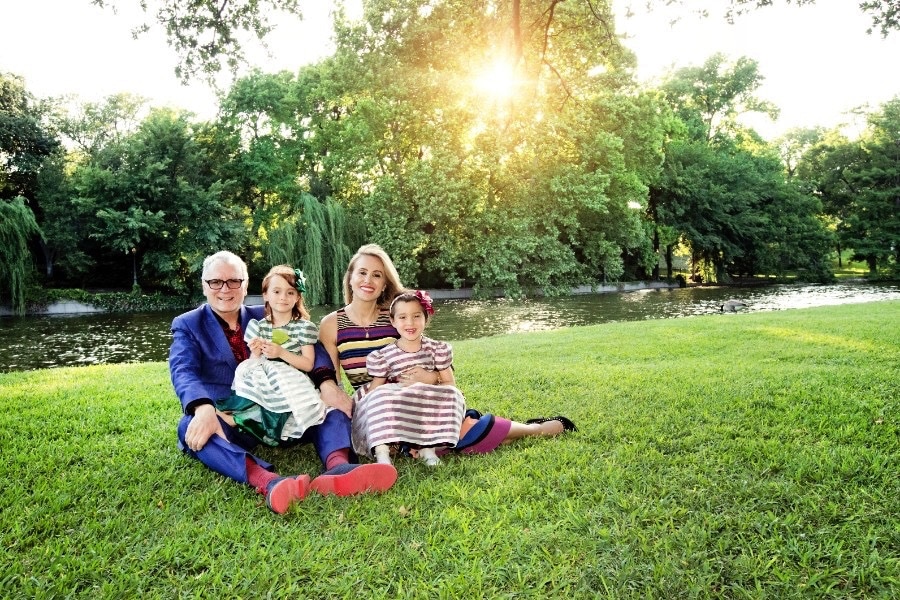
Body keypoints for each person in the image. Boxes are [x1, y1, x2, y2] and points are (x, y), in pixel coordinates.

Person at [169, 251, 397, 515]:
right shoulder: (188, 324)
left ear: (246, 285)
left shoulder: (271, 312)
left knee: (332, 410)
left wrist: (326, 383)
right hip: (233, 416)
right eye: (215, 282)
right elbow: (182, 369)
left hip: (286, 409)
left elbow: (315, 349)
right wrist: (203, 407)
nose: (225, 289)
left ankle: (338, 468)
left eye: (234, 281)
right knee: (191, 428)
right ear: (203, 285)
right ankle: (269, 482)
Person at [319, 244, 576, 462]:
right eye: (362, 273)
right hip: (376, 407)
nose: (368, 281)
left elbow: (437, 362)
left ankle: (534, 429)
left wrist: (429, 378)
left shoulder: (396, 317)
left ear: (385, 282)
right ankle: (420, 441)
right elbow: (334, 384)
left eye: (377, 275)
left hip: (417, 398)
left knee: (462, 429)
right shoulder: (332, 324)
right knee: (457, 437)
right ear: (350, 277)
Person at [218, 265, 327, 446]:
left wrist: (281, 352)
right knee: (247, 371)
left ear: (298, 297)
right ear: (266, 295)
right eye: (276, 291)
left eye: (290, 292)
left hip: (291, 379)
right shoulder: (259, 326)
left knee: (282, 403)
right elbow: (253, 363)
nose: (283, 297)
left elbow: (308, 364)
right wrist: (255, 351)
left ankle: (261, 426)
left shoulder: (303, 327)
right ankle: (235, 417)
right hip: (265, 377)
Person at [355, 290, 466, 466]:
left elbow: (449, 383)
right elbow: (376, 386)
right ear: (393, 321)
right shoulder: (384, 355)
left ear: (426, 318)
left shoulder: (437, 349)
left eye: (416, 316)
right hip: (399, 401)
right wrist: (369, 404)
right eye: (402, 317)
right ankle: (382, 453)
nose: (410, 323)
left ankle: (428, 448)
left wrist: (429, 379)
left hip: (426, 401)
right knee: (378, 396)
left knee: (453, 395)